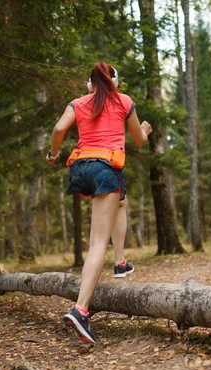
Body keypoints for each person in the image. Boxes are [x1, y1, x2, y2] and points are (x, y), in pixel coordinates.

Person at [45, 62, 152, 343]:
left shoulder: (79, 102)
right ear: (115, 82)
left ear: (90, 85)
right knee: (96, 243)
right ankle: (80, 310)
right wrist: (145, 129)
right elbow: (140, 141)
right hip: (106, 168)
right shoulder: (123, 101)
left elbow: (58, 128)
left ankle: (120, 262)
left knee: (121, 202)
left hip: (83, 168)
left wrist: (53, 154)